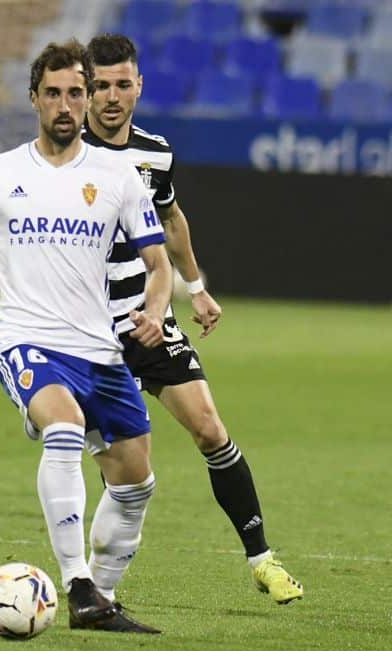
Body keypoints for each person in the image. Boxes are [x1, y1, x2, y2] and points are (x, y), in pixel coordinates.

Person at [0, 40, 172, 634]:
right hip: (27, 340)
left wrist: (155, 309)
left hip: (100, 348)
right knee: (65, 426)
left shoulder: (119, 175)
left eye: (79, 91)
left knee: (136, 482)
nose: (68, 104)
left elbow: (159, 265)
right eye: (55, 93)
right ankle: (75, 583)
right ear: (34, 99)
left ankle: (100, 594)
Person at [83, 34, 303, 604]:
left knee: (210, 428)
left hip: (148, 316)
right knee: (127, 470)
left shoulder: (156, 153)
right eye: (100, 85)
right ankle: (92, 584)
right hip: (86, 330)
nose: (111, 97)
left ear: (139, 87)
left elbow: (172, 217)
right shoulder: (64, 157)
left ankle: (263, 559)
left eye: (122, 84)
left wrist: (196, 288)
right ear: (84, 90)